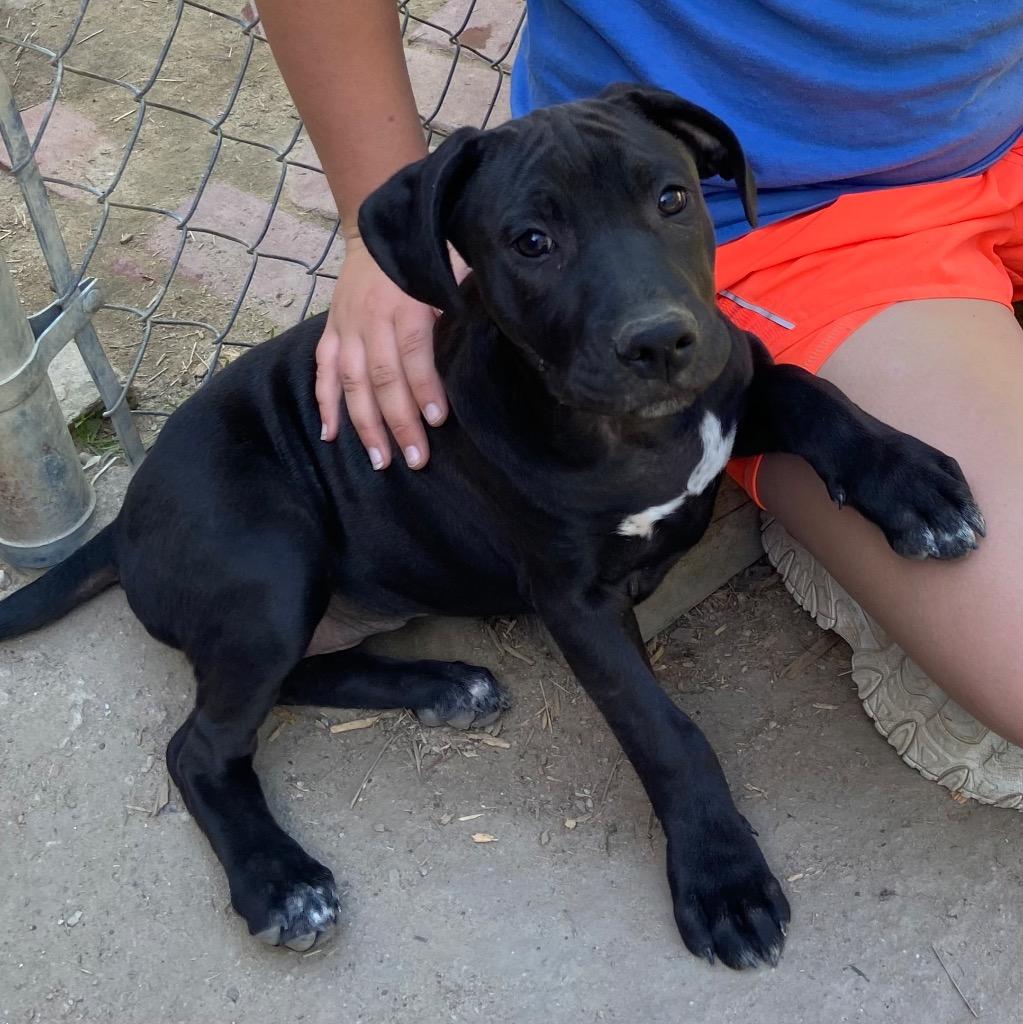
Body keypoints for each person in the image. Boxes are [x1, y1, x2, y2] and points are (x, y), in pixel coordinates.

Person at [256, 1, 1023, 799]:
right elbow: (570, 591)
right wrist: (366, 232)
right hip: (810, 218)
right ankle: (838, 535)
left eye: (666, 203)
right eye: (529, 244)